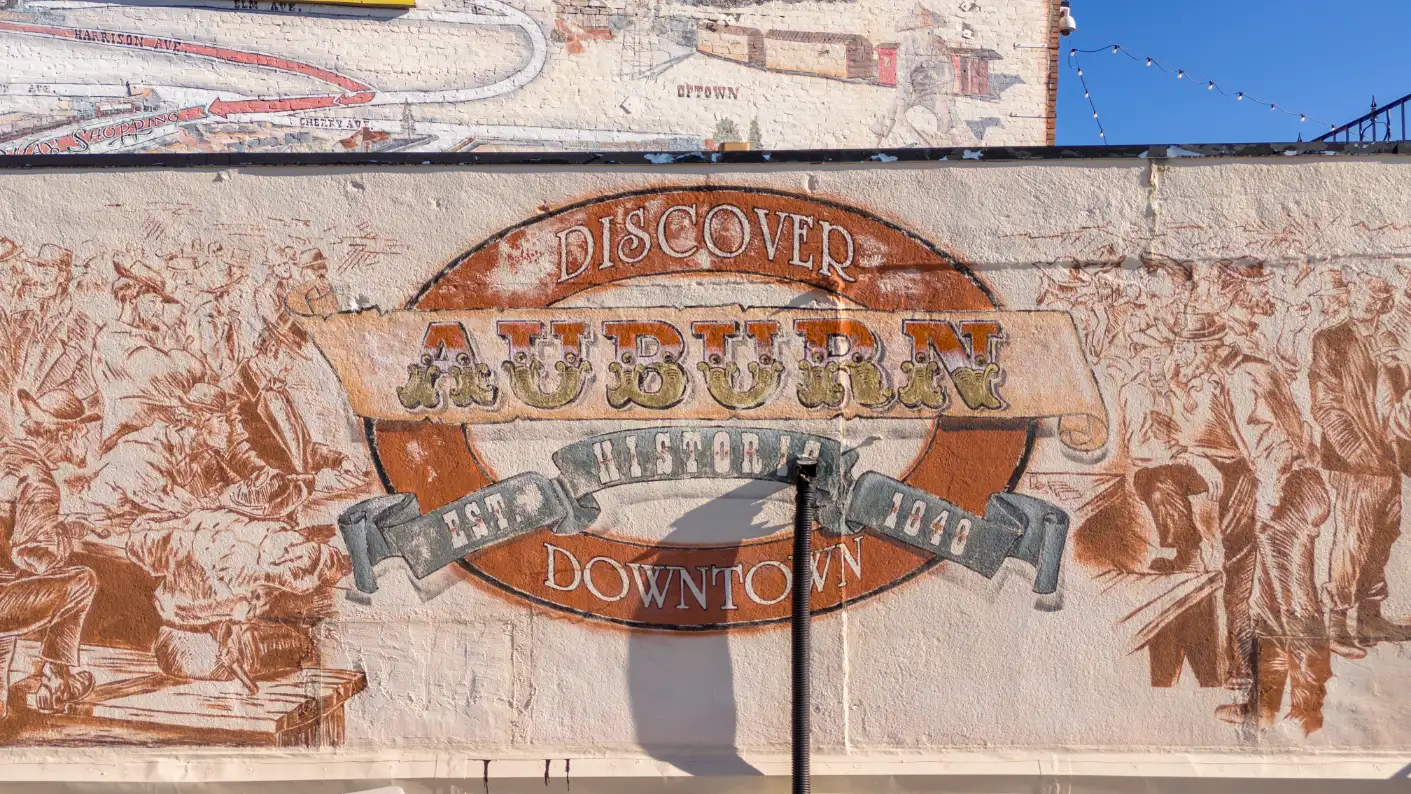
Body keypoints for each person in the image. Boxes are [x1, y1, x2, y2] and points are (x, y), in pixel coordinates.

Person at [1155, 311, 1329, 732]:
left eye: (1184, 348)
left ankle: (1308, 710)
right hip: (1293, 491)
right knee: (1267, 607)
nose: (1179, 357)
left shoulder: (1241, 379)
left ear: (1205, 348)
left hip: (1288, 494)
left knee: (1294, 604)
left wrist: (1267, 508)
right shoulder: (1242, 372)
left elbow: (1274, 450)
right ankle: (1265, 708)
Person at [1309, 276, 1411, 659]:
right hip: (1351, 461)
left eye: (1381, 296)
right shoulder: (1330, 340)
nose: (1373, 301)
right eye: (1367, 292)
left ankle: (1370, 617)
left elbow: (1398, 404)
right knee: (1353, 539)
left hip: (1387, 458)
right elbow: (1326, 404)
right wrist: (1354, 450)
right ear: (1353, 294)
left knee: (1384, 533)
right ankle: (1337, 623)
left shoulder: (1390, 343)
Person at [0, 388, 102, 718]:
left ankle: (57, 680)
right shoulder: (38, 480)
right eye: (82, 432)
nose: (86, 439)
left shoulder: (7, 459)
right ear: (63, 434)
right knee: (82, 581)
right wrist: (58, 550)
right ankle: (56, 677)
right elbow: (27, 552)